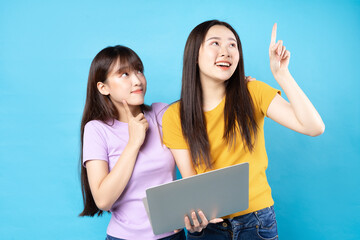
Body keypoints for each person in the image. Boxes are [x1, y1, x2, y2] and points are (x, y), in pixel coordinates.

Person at [162, 20, 325, 239]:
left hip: (257, 223)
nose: (226, 52)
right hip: (208, 229)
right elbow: (192, 185)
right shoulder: (175, 115)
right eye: (215, 43)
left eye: (232, 45)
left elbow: (314, 127)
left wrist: (282, 74)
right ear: (194, 54)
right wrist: (194, 221)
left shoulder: (252, 92)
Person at [79, 45, 185, 240]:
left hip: (172, 235)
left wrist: (235, 87)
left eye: (139, 71)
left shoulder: (161, 113)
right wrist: (134, 143)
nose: (137, 80)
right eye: (124, 74)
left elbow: (202, 113)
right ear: (103, 87)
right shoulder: (96, 129)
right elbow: (103, 200)